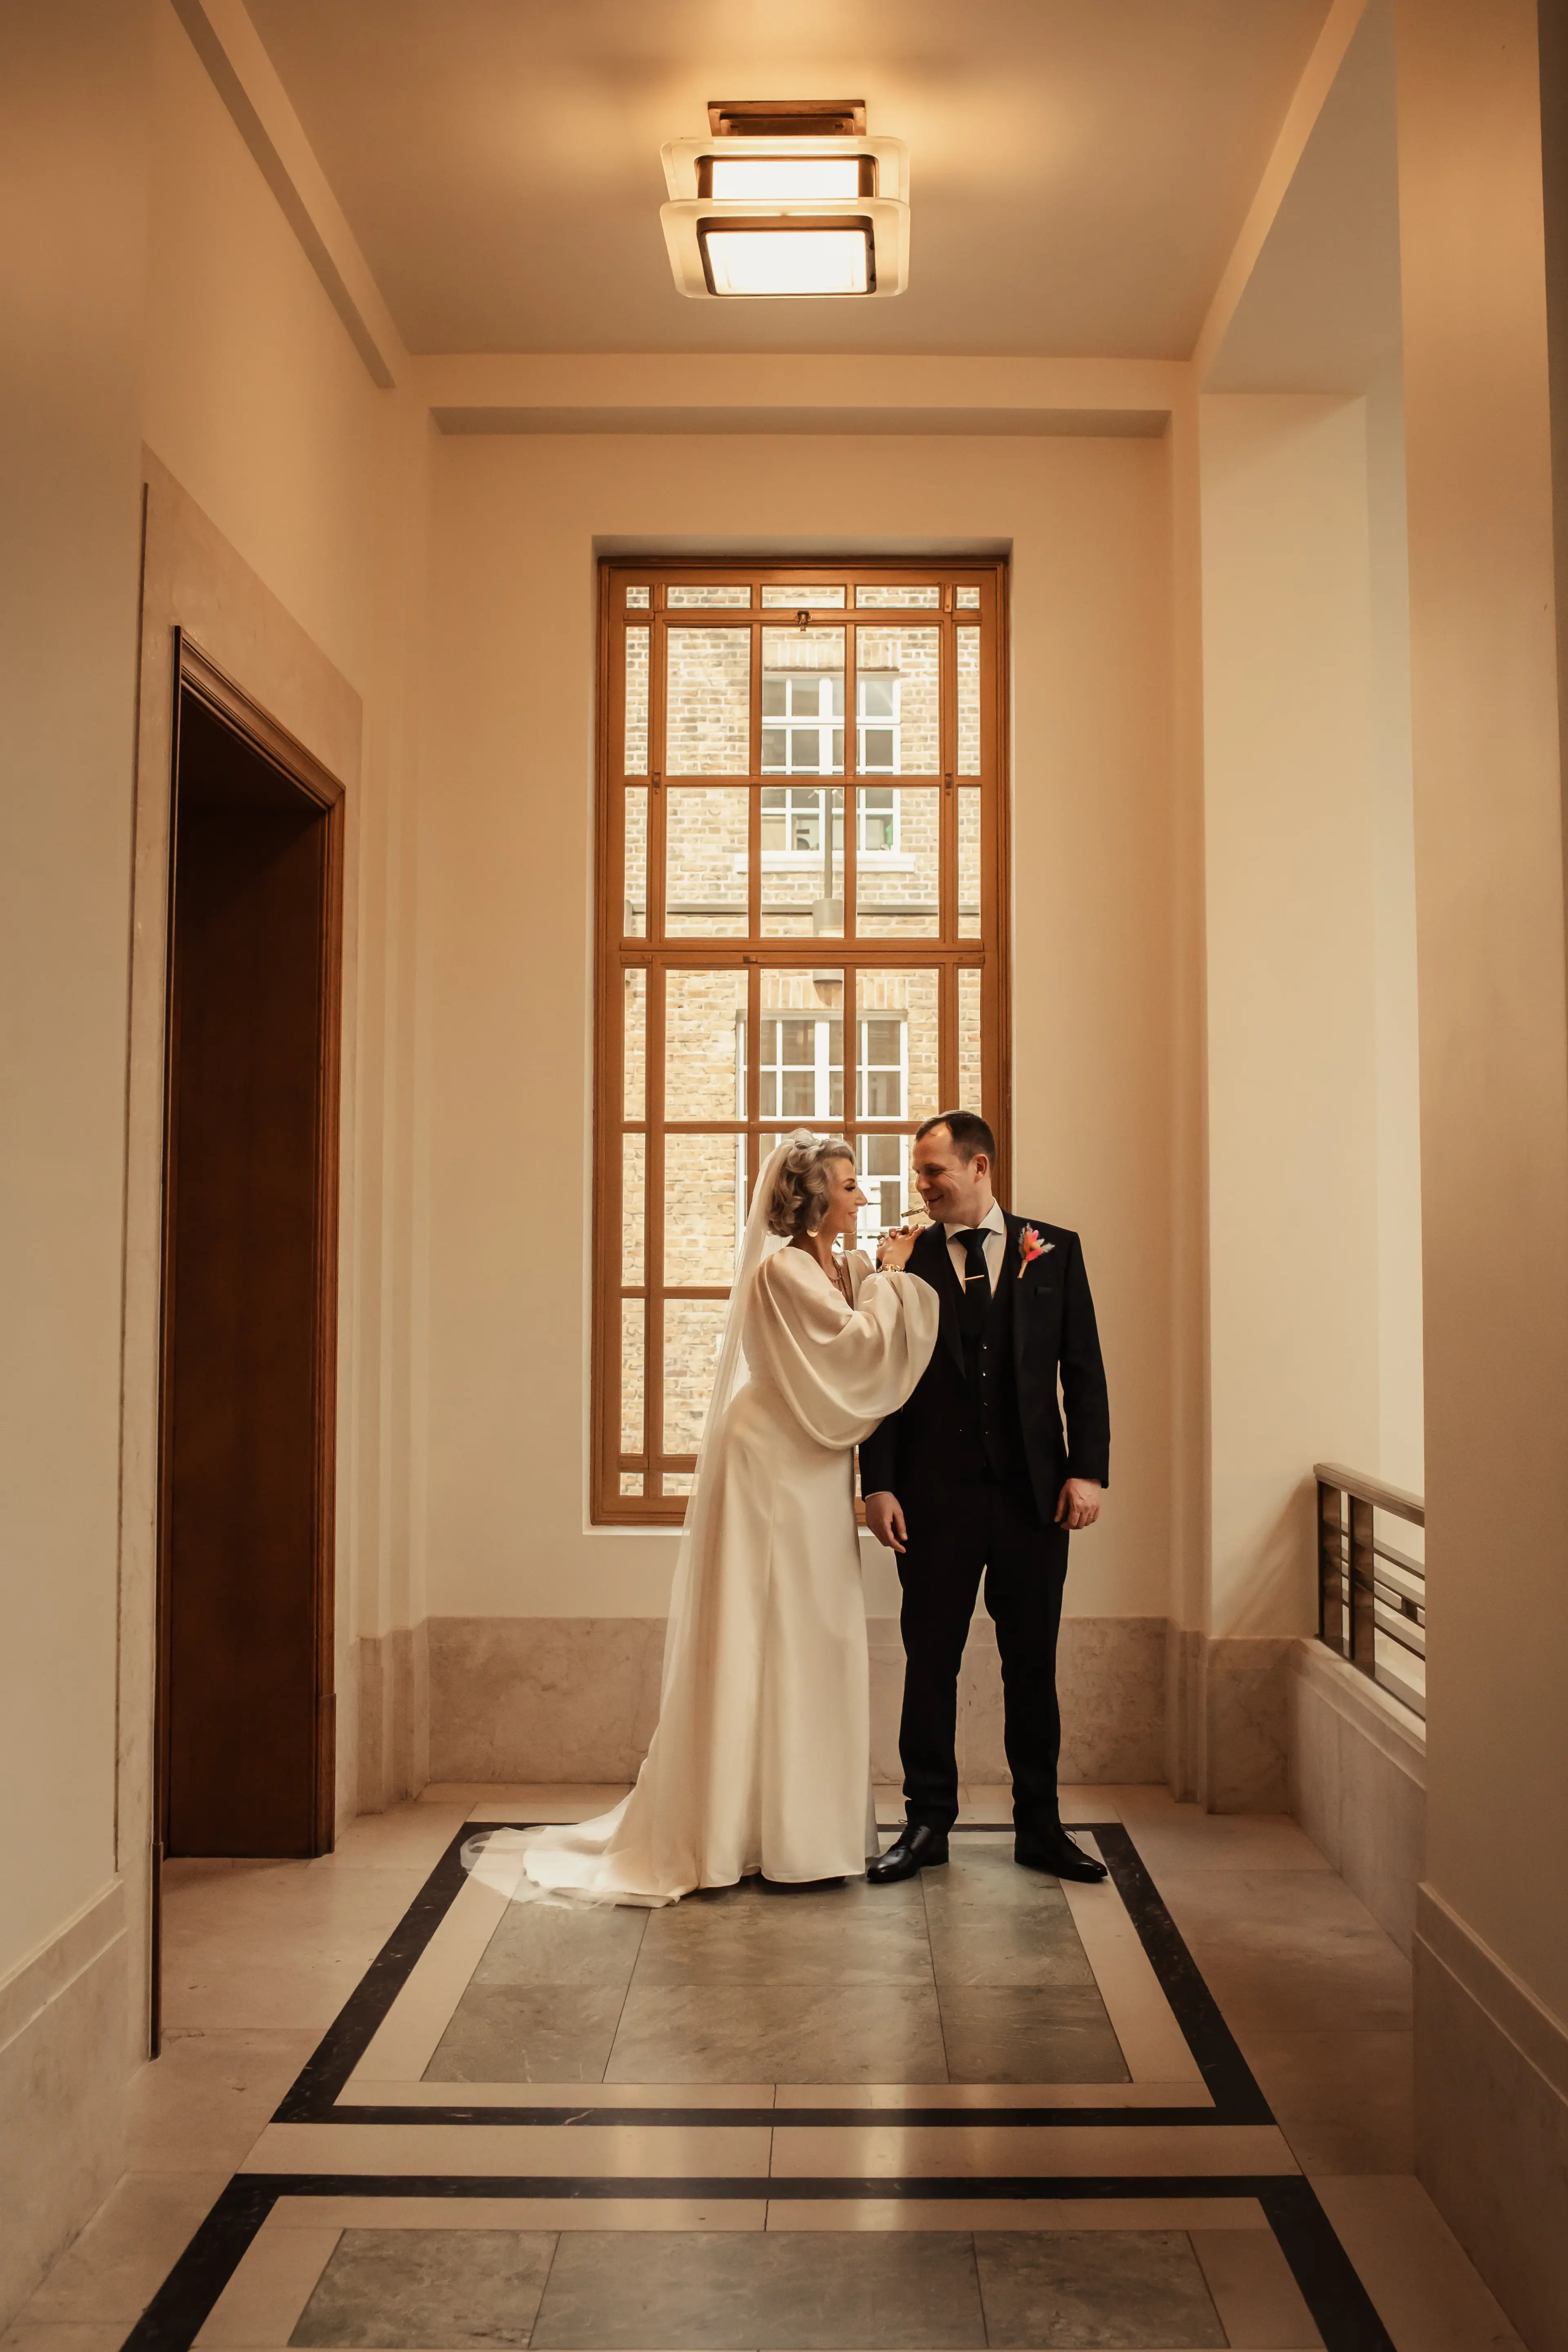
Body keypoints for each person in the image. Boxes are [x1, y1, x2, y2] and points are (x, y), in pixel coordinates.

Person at [515, 1131, 938, 1906]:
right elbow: (854, 1350)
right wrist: (896, 1274)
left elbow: (862, 1373)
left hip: (813, 1467)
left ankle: (804, 1832)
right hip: (769, 1463)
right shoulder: (784, 1270)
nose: (863, 1196)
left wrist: (876, 1273)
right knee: (761, 1630)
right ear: (816, 1201)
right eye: (849, 1185)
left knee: (817, 1630)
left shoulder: (842, 1265)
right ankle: (735, 1831)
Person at [859, 1111, 1111, 1886]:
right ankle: (926, 1822)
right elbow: (883, 1382)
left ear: (980, 1169)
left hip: (1037, 1499)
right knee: (930, 1660)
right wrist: (880, 1482)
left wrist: (1088, 1470)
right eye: (919, 1171)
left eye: (934, 1171)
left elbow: (1084, 1368)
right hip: (934, 1501)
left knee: (1030, 1662)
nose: (921, 1186)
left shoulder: (1054, 1250)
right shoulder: (903, 1260)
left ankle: (1040, 1824)